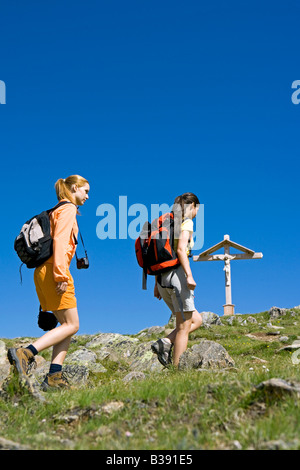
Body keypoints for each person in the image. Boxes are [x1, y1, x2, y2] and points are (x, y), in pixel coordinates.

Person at [8, 175, 90, 390]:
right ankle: (26, 353)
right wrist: (62, 274)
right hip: (55, 270)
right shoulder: (68, 209)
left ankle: (54, 377)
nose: (87, 196)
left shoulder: (55, 211)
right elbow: (61, 242)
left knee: (66, 326)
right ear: (74, 188)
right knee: (73, 324)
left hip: (42, 271)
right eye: (85, 191)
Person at [151, 192, 203, 368]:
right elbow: (181, 250)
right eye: (197, 209)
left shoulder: (167, 223)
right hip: (178, 278)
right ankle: (178, 370)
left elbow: (161, 255)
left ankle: (165, 342)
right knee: (183, 328)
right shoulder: (186, 222)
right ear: (193, 206)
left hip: (162, 280)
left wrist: (156, 285)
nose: (197, 213)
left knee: (196, 320)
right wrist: (189, 275)